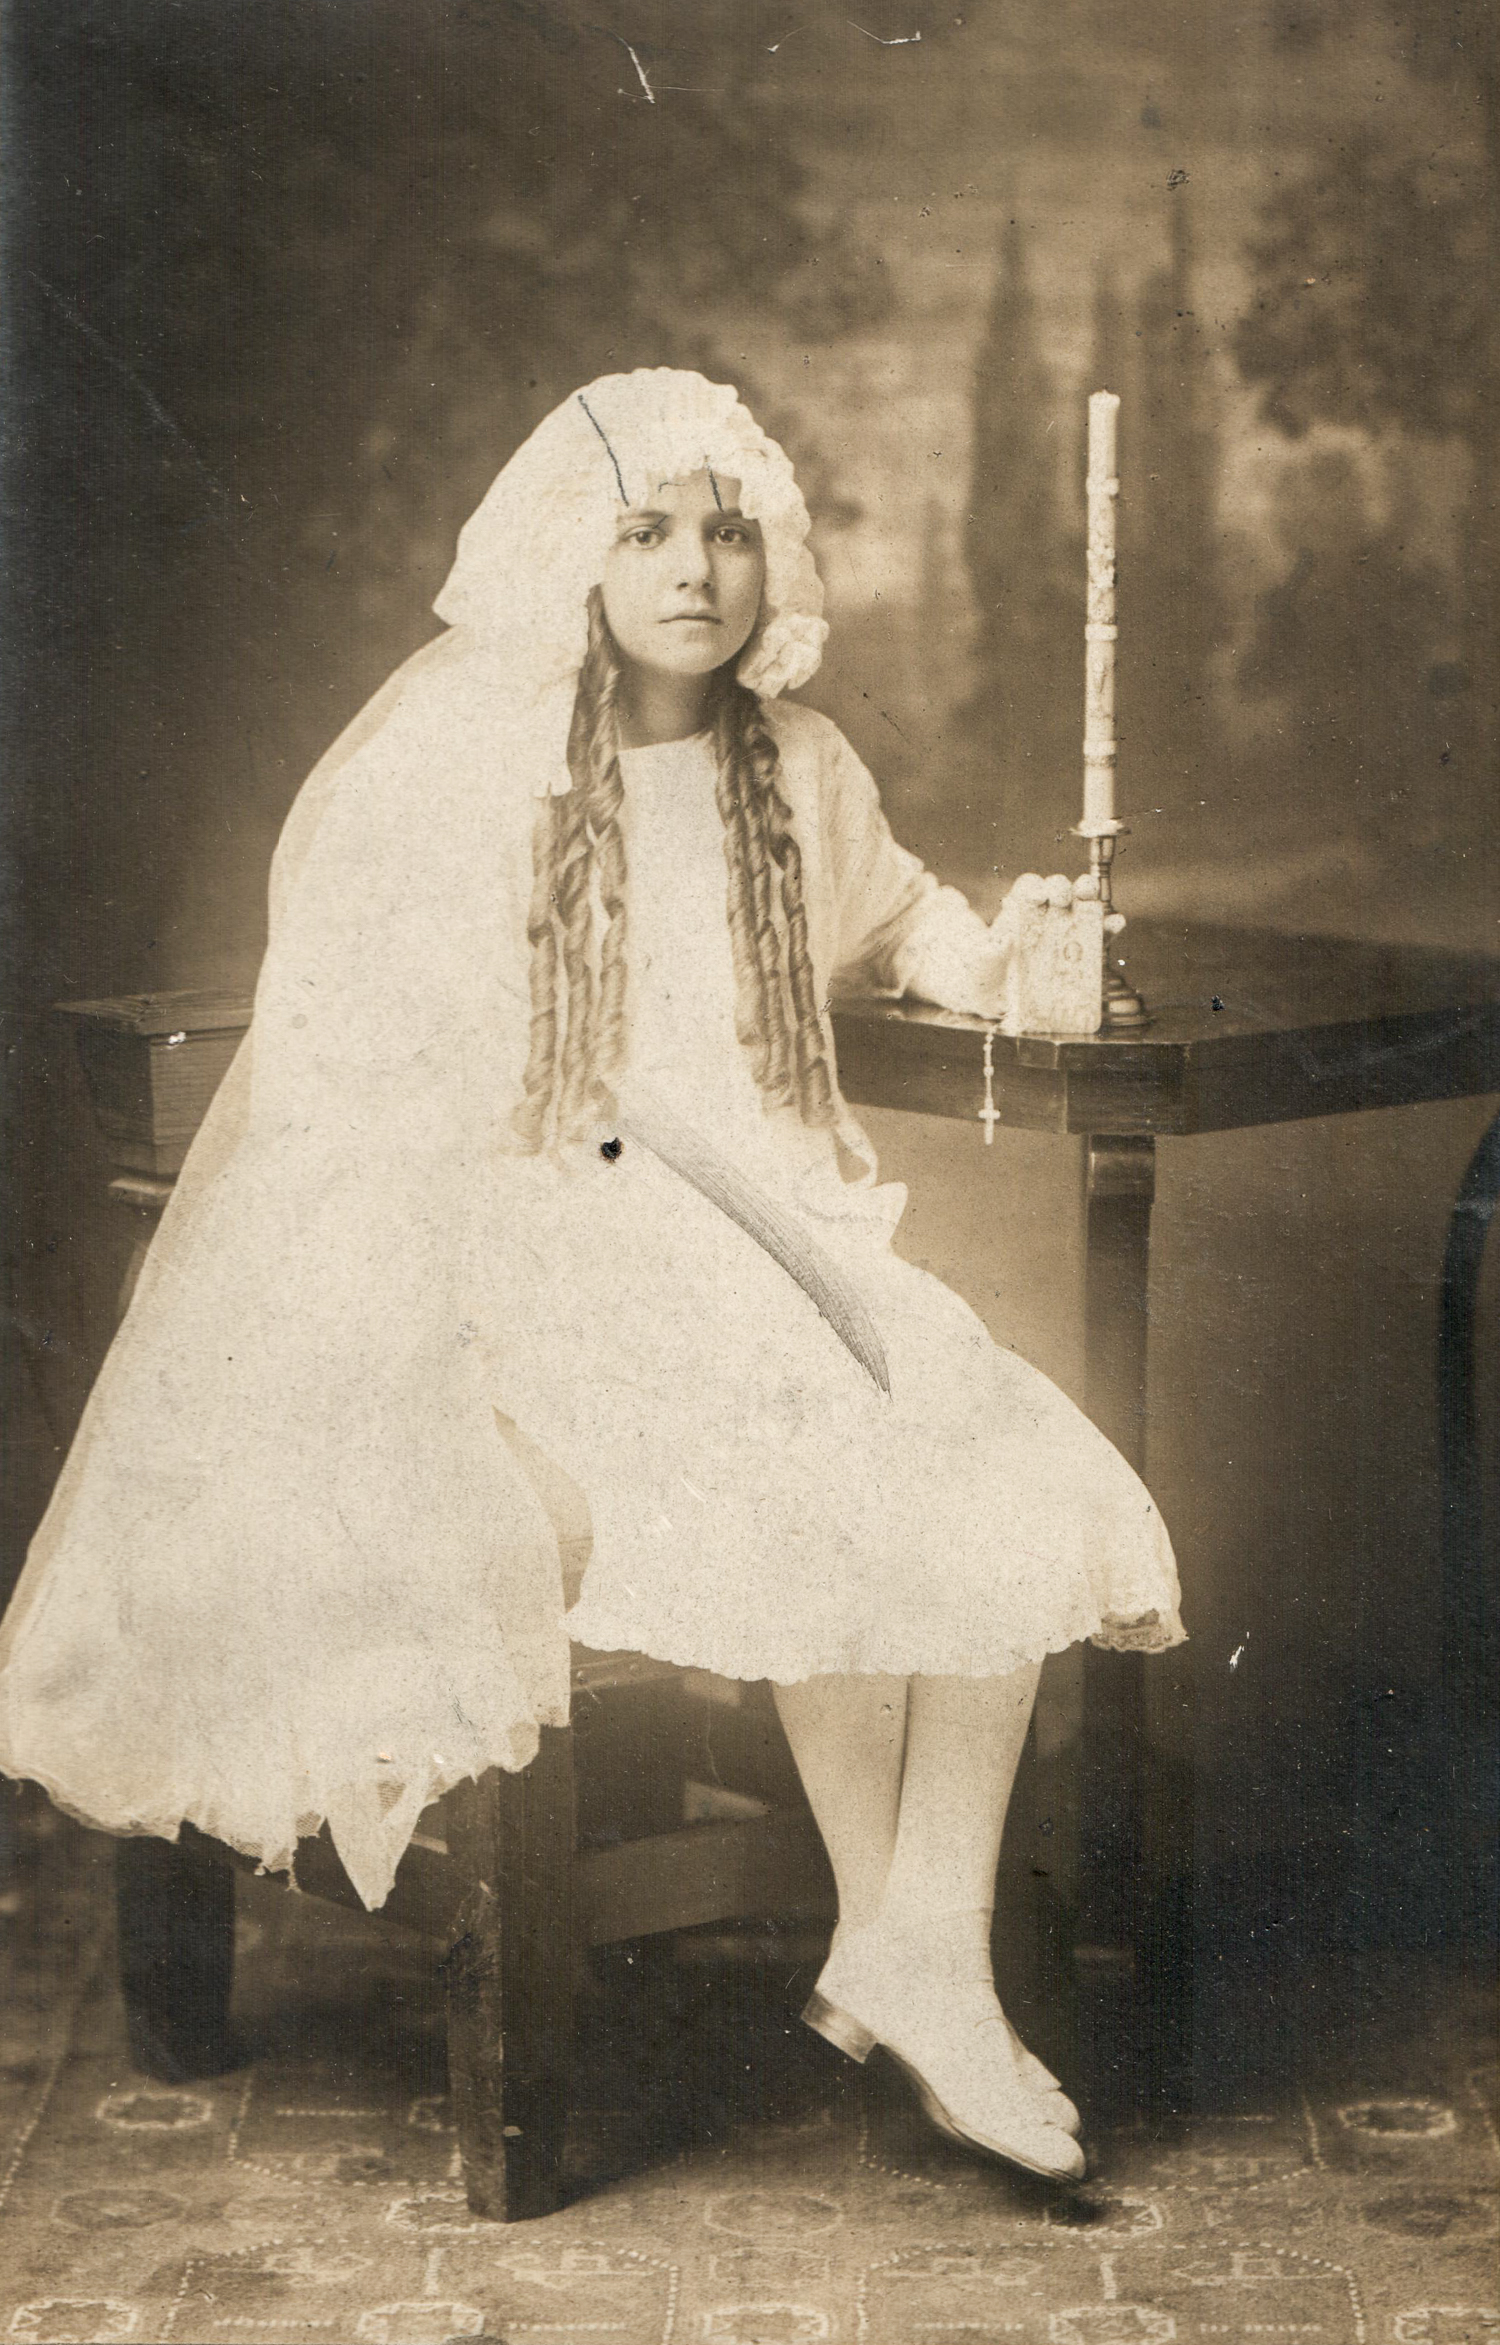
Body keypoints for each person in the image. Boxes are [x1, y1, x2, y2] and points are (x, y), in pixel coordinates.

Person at [0, 370, 1181, 2186]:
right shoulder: (476, 771)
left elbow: (910, 920)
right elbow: (359, 1066)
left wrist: (1017, 952)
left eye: (726, 529)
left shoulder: (801, 766)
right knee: (850, 1464)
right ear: (578, 552)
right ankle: (917, 1950)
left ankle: (913, 1931)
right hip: (544, 1252)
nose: (696, 570)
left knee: (1009, 1457)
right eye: (649, 530)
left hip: (777, 1248)